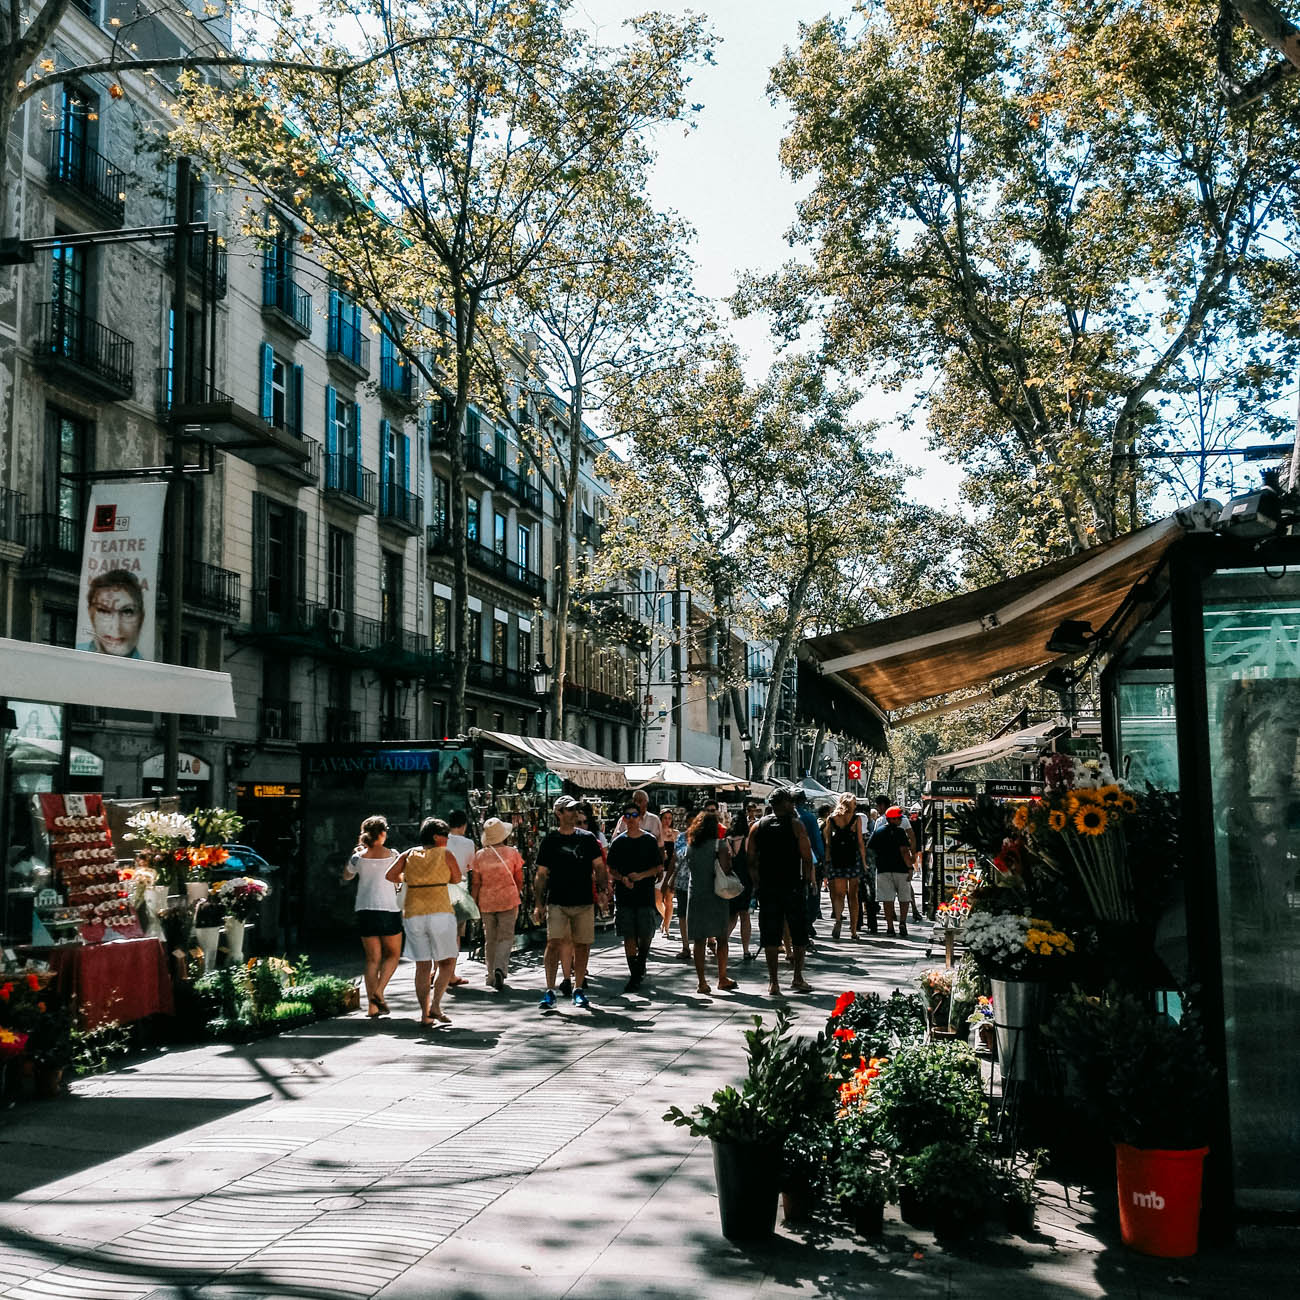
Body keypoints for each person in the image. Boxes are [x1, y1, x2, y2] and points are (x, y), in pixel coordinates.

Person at [533, 794, 606, 1009]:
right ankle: (549, 990)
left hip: (583, 900)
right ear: (559, 813)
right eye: (570, 809)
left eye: (576, 809)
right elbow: (541, 874)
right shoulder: (550, 840)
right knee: (553, 943)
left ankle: (578, 988)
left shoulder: (587, 838)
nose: (575, 813)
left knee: (582, 945)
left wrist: (603, 891)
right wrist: (539, 903)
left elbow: (599, 866)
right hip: (557, 900)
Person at [387, 816, 461, 1025]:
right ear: (436, 837)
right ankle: (435, 1005)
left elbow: (390, 875)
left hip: (413, 913)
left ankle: (424, 1014)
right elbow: (456, 878)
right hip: (440, 912)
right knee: (447, 961)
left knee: (422, 966)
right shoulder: (445, 854)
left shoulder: (408, 854)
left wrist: (410, 880)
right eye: (445, 835)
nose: (447, 839)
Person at [748, 787, 815, 995]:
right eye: (790, 801)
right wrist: (807, 880)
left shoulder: (757, 826)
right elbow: (807, 857)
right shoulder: (796, 825)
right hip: (792, 886)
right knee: (799, 933)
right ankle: (797, 977)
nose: (793, 805)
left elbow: (750, 859)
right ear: (784, 804)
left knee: (770, 935)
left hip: (768, 888)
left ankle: (774, 982)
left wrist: (757, 884)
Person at [340, 814, 402, 1017]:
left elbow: (346, 876)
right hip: (389, 908)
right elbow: (400, 879)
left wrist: (355, 855)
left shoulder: (358, 857)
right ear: (382, 834)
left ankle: (372, 1007)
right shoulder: (393, 855)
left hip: (365, 909)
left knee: (372, 959)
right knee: (393, 954)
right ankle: (379, 992)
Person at [607, 801, 664, 993]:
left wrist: (641, 876)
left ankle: (641, 962)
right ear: (623, 819)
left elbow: (658, 868)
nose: (631, 819)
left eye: (634, 815)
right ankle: (635, 974)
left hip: (645, 894)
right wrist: (622, 878)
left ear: (640, 818)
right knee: (629, 934)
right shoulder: (618, 842)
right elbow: (611, 868)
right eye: (627, 816)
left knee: (646, 933)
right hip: (624, 896)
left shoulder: (649, 840)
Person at [684, 809, 736, 994]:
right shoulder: (719, 845)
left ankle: (702, 982)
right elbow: (726, 868)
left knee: (699, 940)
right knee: (722, 938)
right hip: (716, 894)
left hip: (696, 894)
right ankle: (722, 978)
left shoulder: (690, 846)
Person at [470, 818, 524, 990]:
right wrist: (516, 892)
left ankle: (491, 974)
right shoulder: (512, 853)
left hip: (487, 901)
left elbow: (476, 883)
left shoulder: (479, 856)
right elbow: (519, 878)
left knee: (490, 938)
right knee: (506, 937)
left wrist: (473, 901)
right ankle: (500, 968)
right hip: (508, 899)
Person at [823, 794, 868, 941]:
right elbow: (860, 842)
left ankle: (838, 920)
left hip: (837, 859)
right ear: (850, 804)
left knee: (839, 894)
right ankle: (853, 930)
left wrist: (827, 860)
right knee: (853, 896)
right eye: (854, 803)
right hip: (853, 859)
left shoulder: (831, 818)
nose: (855, 806)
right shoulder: (856, 819)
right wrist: (864, 861)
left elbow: (828, 842)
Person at [869, 805, 916, 938]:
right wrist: (910, 867)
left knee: (887, 899)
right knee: (904, 898)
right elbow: (904, 851)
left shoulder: (878, 831)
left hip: (883, 870)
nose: (901, 820)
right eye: (899, 818)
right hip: (901, 869)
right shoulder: (900, 832)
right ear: (892, 819)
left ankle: (890, 927)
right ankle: (902, 923)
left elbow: (870, 849)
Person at [77, 569, 145, 658]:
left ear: (141, 618)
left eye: (127, 612)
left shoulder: (150, 666)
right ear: (91, 614)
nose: (116, 627)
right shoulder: (73, 653)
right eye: (104, 611)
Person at [726, 799, 760, 962]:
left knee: (732, 916)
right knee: (745, 916)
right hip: (745, 881)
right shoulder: (747, 840)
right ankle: (746, 950)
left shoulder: (727, 840)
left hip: (731, 880)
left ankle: (722, 942)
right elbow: (752, 861)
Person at [445, 809, 476, 987]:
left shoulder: (441, 840)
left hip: (440, 887)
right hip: (459, 888)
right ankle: (450, 973)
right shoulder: (468, 843)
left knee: (440, 930)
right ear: (464, 825)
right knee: (456, 932)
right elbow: (471, 866)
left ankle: (436, 969)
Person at [793, 789, 826, 935]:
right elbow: (817, 840)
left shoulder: (785, 817)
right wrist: (822, 858)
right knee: (813, 891)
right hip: (810, 860)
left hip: (789, 862)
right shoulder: (809, 818)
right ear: (804, 801)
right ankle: (808, 922)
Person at [656, 807, 678, 938]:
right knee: (657, 900)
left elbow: (679, 851)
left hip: (671, 870)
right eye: (665, 818)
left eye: (670, 818)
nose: (667, 821)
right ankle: (665, 919)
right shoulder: (656, 834)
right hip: (659, 870)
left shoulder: (675, 834)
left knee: (668, 900)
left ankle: (666, 926)